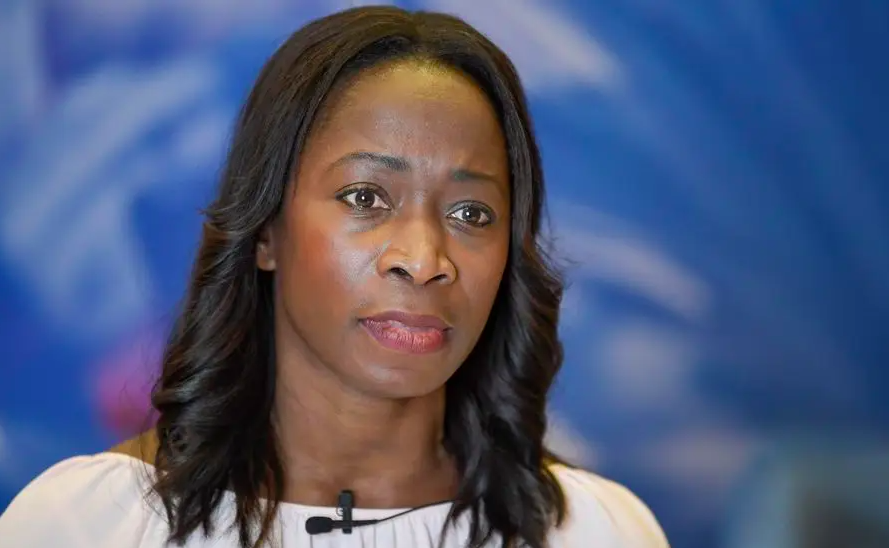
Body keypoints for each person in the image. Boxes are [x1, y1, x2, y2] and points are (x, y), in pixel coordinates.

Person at [0, 6, 669, 548]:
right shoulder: (89, 524)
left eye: (471, 212)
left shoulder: (594, 532)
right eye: (365, 198)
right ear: (267, 231)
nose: (423, 258)